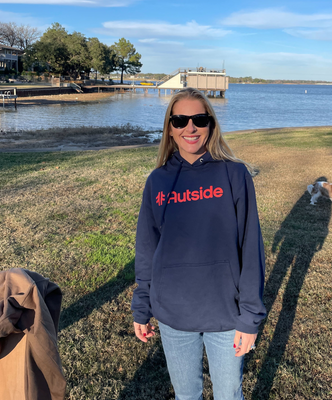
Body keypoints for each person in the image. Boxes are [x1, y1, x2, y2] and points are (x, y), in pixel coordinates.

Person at [132, 87, 266, 400]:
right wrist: (143, 306)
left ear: (211, 125)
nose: (189, 128)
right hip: (173, 316)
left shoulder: (235, 175)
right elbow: (147, 249)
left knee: (228, 395)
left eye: (199, 119)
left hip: (226, 316)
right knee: (186, 396)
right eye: (180, 120)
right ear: (169, 128)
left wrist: (250, 318)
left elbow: (250, 248)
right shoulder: (158, 180)